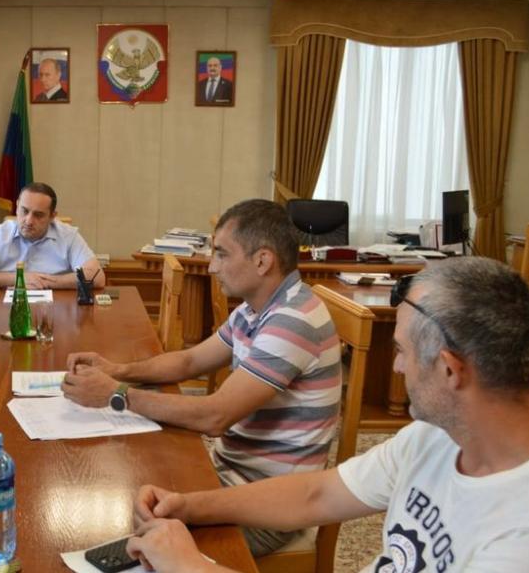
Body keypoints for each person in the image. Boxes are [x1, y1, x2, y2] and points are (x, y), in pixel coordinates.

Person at [126, 257, 529, 572]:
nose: (397, 367)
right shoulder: (437, 436)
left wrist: (190, 566)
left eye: (401, 351)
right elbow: (317, 495)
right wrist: (190, 506)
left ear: (450, 370)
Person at [63, 199, 340, 555]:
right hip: (232, 475)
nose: (212, 267)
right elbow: (190, 360)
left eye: (222, 254)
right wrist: (116, 370)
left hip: (268, 505)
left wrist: (117, 394)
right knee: (123, 482)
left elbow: (214, 416)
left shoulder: (292, 320)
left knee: (121, 536)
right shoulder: (257, 309)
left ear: (262, 261)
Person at [0, 182, 106, 290]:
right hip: (8, 309)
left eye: (38, 215)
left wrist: (45, 282)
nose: (29, 221)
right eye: (24, 211)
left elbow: (97, 276)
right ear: (17, 207)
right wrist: (19, 279)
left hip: (54, 311)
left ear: (52, 216)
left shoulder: (68, 236)